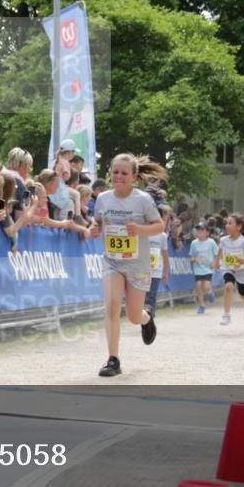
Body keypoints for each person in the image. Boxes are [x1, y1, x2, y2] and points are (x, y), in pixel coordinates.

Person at [91, 153, 167, 377]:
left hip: (137, 265)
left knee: (134, 316)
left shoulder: (143, 200)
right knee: (112, 306)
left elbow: (159, 226)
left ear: (134, 176)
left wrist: (140, 230)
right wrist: (94, 228)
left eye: (124, 173)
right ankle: (113, 359)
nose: (119, 176)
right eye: (115, 172)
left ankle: (147, 318)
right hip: (113, 262)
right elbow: (97, 221)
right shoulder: (103, 198)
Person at [215, 213, 244, 325]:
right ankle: (226, 315)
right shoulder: (223, 240)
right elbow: (220, 251)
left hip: (242, 271)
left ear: (239, 226)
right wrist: (217, 261)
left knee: (243, 293)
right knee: (229, 287)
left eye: (230, 223)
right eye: (226, 223)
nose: (227, 226)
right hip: (228, 268)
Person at [144, 204, 172, 318]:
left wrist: (165, 272)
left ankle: (150, 319)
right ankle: (143, 316)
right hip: (142, 270)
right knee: (142, 296)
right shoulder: (143, 232)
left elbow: (165, 255)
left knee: (151, 296)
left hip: (156, 271)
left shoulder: (162, 236)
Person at [189, 221, 218, 314]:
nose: (199, 231)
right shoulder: (194, 243)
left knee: (205, 287)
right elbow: (191, 257)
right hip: (198, 269)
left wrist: (214, 262)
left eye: (201, 229)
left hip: (208, 268)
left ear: (207, 232)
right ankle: (201, 305)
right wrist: (194, 259)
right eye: (198, 229)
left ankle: (209, 292)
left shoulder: (211, 242)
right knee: (198, 286)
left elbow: (216, 255)